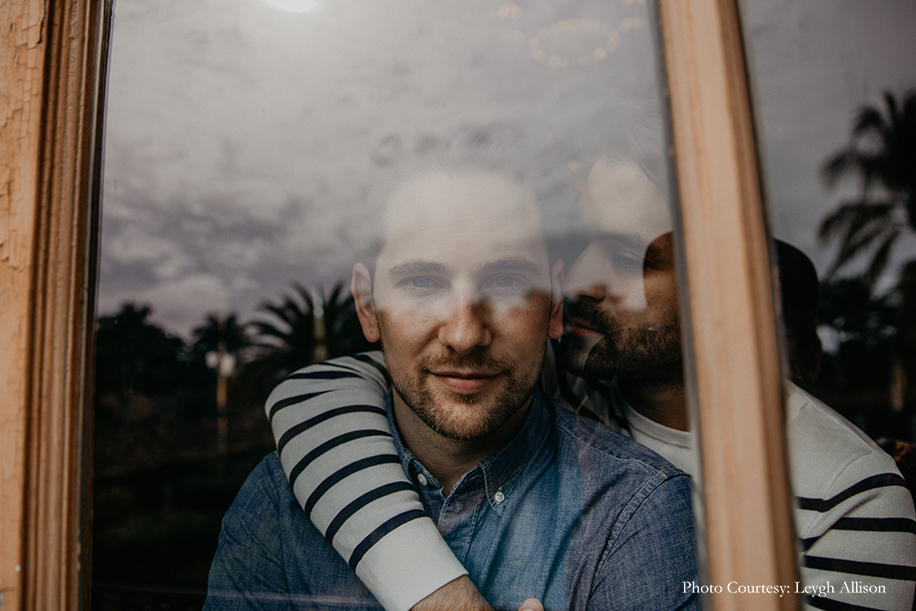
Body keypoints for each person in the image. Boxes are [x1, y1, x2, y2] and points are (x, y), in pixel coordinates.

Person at [267, 160, 916, 611]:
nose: (580, 280)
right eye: (579, 245)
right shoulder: (557, 374)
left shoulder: (850, 498)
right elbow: (309, 398)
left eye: (630, 256)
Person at [204, 170, 698, 611]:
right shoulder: (277, 505)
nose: (464, 334)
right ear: (367, 305)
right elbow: (311, 396)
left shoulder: (639, 512)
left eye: (505, 280)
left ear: (552, 305)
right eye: (422, 281)